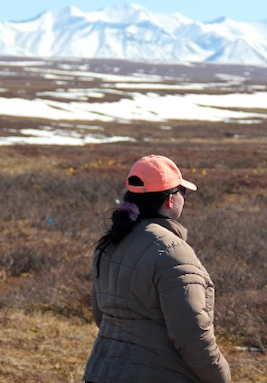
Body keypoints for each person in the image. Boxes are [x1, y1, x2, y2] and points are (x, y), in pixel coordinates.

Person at [83, 155, 231, 383]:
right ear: (170, 200)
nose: (185, 198)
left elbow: (102, 316)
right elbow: (191, 337)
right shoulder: (173, 252)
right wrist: (221, 378)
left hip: (100, 372)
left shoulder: (110, 242)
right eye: (183, 192)